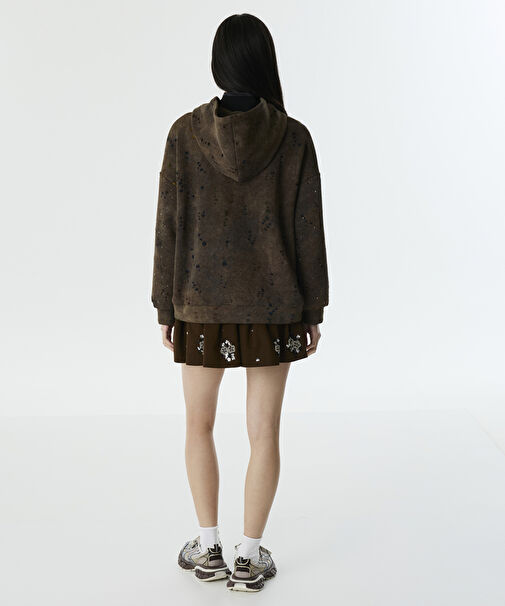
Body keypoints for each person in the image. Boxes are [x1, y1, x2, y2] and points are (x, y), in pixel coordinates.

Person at [151, 13, 329, 593]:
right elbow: (308, 232)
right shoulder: (293, 138)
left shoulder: (184, 134)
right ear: (264, 61)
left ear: (218, 64)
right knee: (264, 432)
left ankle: (208, 549)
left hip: (199, 304)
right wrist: (313, 311)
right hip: (274, 308)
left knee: (197, 424)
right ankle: (249, 558)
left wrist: (165, 308)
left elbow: (167, 227)